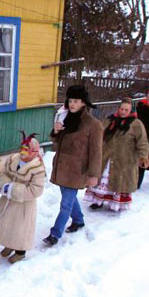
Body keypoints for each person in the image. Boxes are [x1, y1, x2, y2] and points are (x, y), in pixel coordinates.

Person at [43, 85, 103, 246]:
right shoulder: (65, 117)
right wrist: (56, 131)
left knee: (65, 204)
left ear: (84, 103)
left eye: (76, 101)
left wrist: (93, 175)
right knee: (68, 198)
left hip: (77, 170)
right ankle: (78, 220)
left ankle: (55, 234)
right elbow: (56, 141)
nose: (72, 104)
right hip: (62, 167)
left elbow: (96, 152)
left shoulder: (93, 124)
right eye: (70, 101)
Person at [0, 132, 46, 263]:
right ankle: (9, 244)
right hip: (8, 200)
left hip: (24, 204)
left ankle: (20, 251)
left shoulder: (37, 168)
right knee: (7, 224)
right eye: (22, 149)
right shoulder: (13, 159)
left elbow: (36, 190)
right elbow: (5, 173)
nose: (23, 153)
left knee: (20, 228)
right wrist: (5, 185)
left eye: (26, 150)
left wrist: (15, 189)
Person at [84, 98, 149, 211]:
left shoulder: (136, 124)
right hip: (106, 156)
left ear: (131, 110)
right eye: (121, 109)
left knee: (119, 180)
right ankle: (98, 201)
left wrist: (143, 156)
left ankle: (115, 203)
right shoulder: (110, 120)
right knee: (102, 178)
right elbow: (99, 133)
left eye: (126, 110)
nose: (123, 112)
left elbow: (142, 142)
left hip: (124, 158)